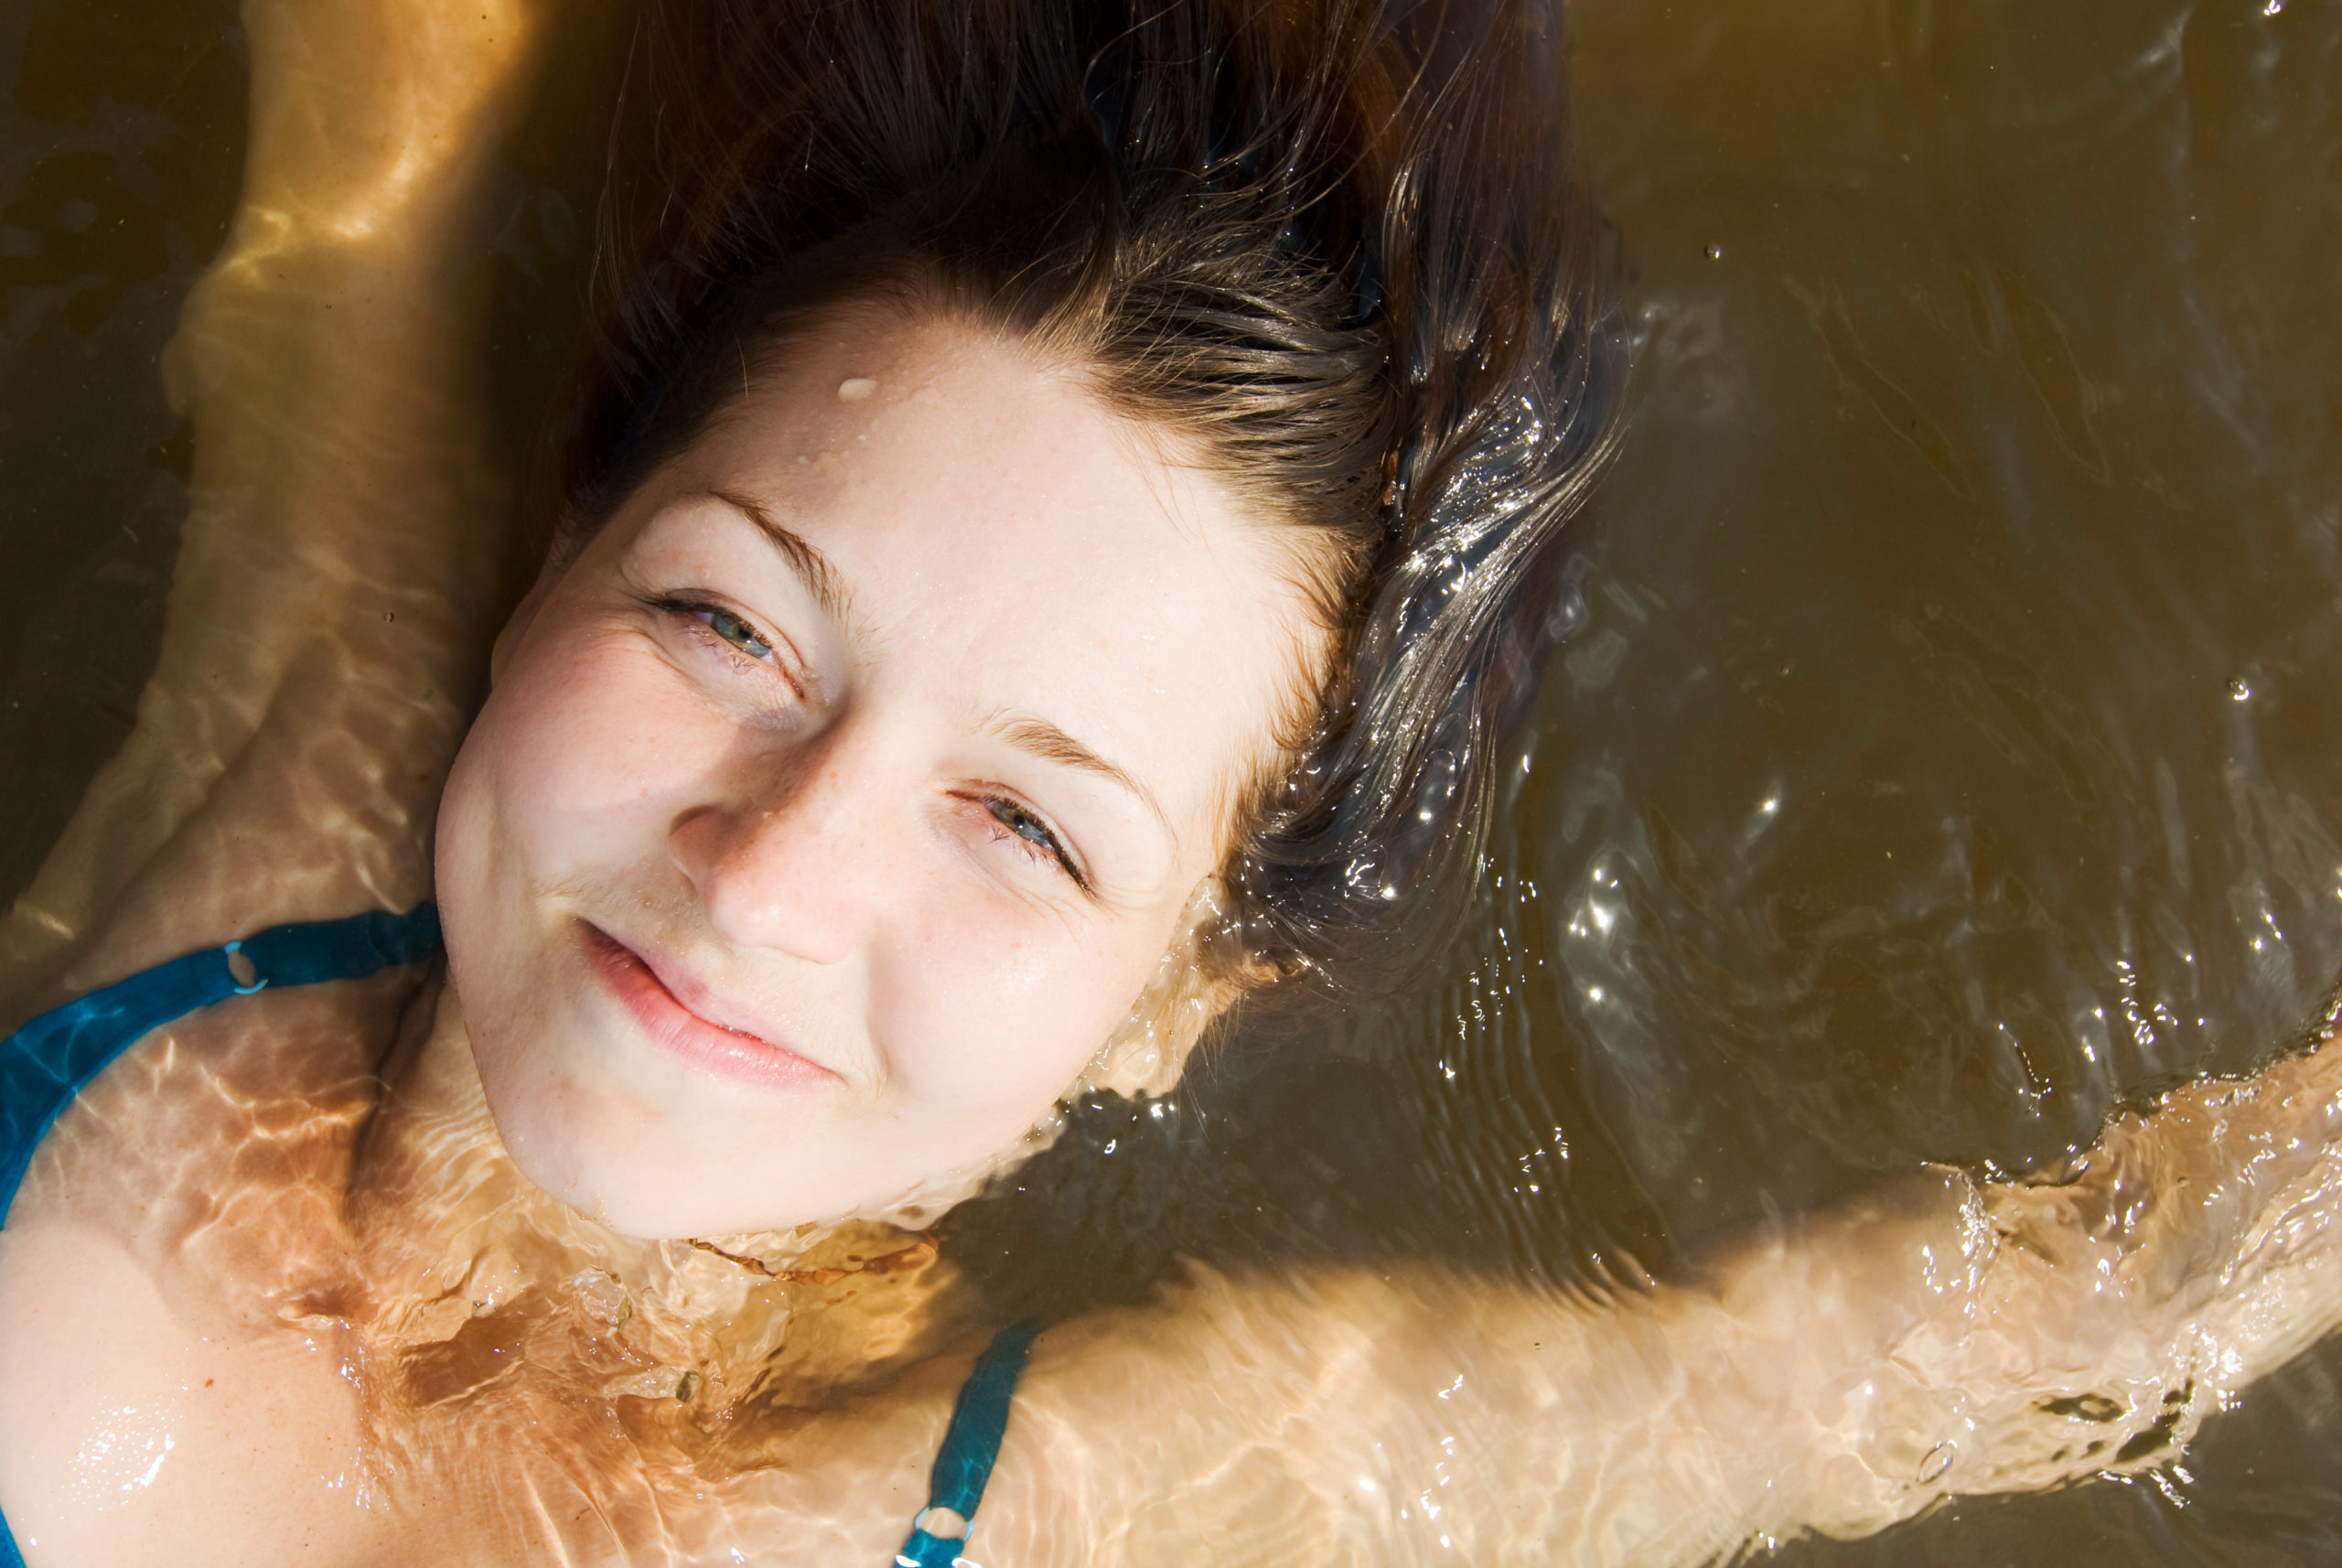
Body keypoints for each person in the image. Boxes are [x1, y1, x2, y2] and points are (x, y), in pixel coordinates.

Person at [2, 0, 2341, 1563]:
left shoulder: (1087, 1494)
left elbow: (1976, 1340)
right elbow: (365, 174)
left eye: (1026, 821)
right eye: (722, 621)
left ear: (1182, 999)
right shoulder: (298, 778)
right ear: (551, 566)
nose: (773, 868)